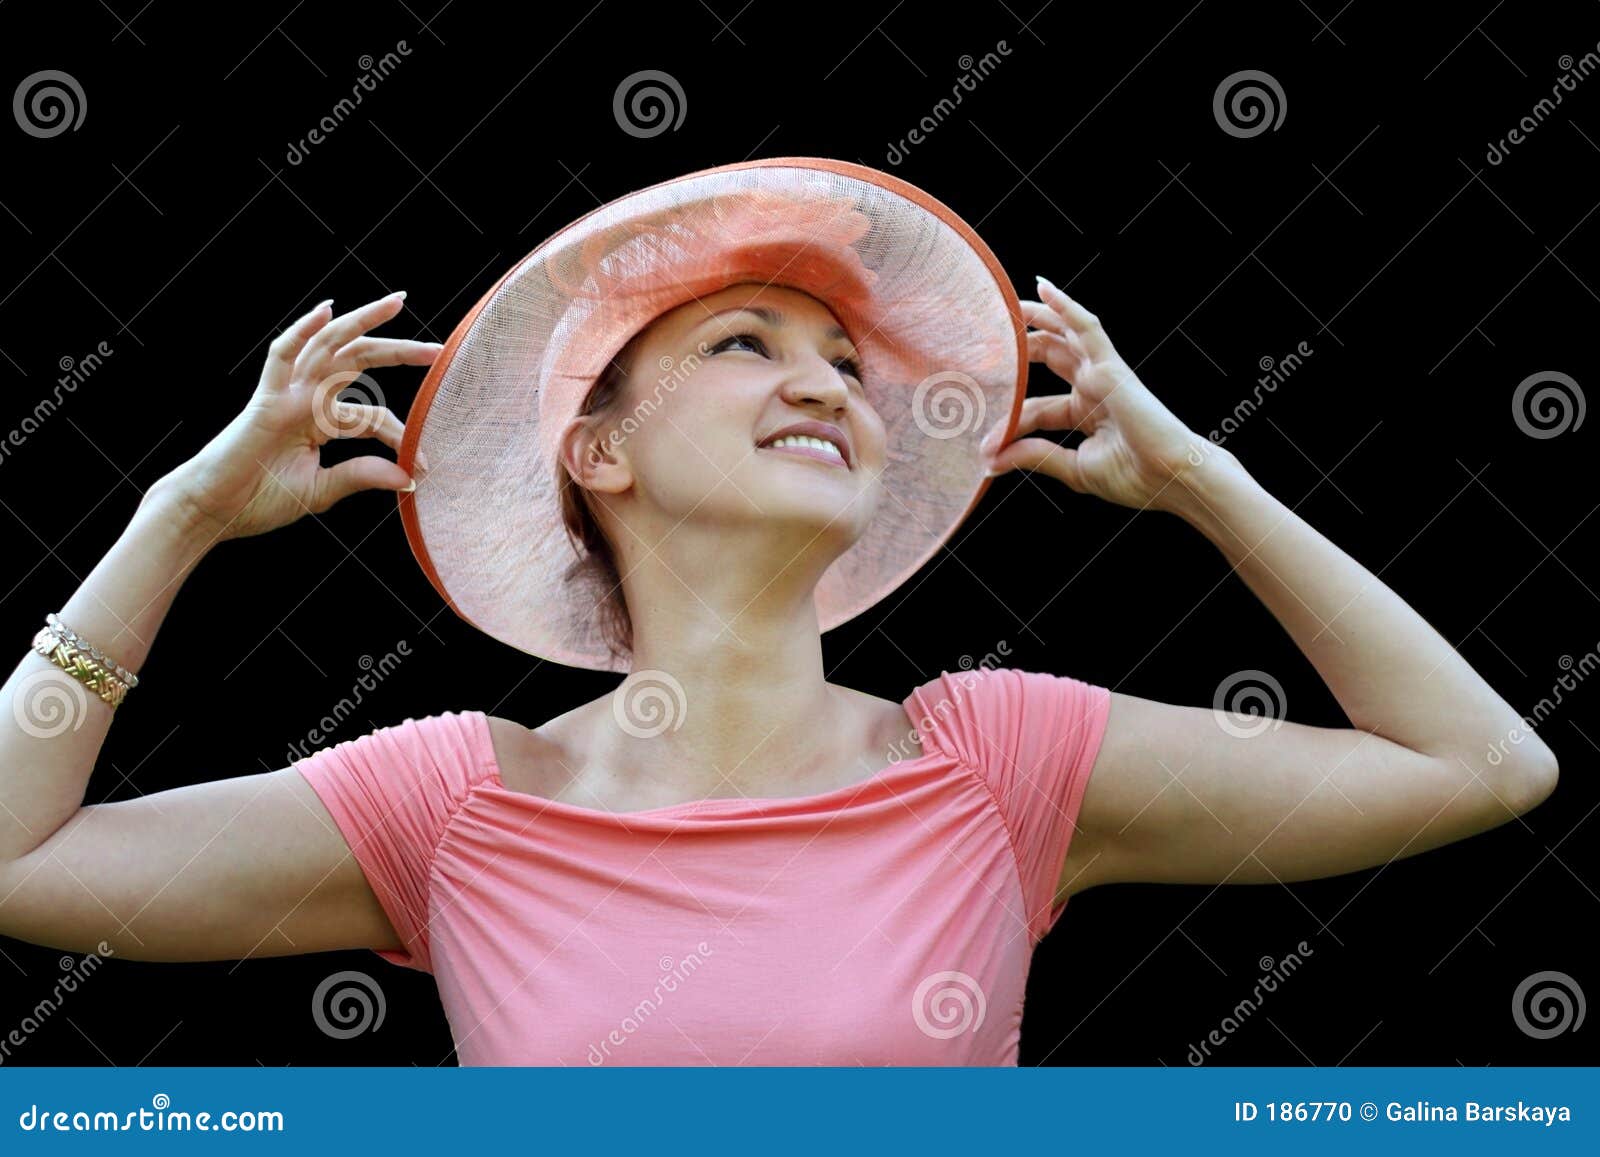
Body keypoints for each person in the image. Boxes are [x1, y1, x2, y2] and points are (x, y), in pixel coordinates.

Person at [0, 161, 1557, 1067]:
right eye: (746, 342)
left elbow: (1483, 765)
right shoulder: (456, 804)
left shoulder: (998, 763)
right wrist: (175, 519)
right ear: (598, 454)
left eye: (845, 360)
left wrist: (1207, 480)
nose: (825, 383)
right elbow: (14, 860)